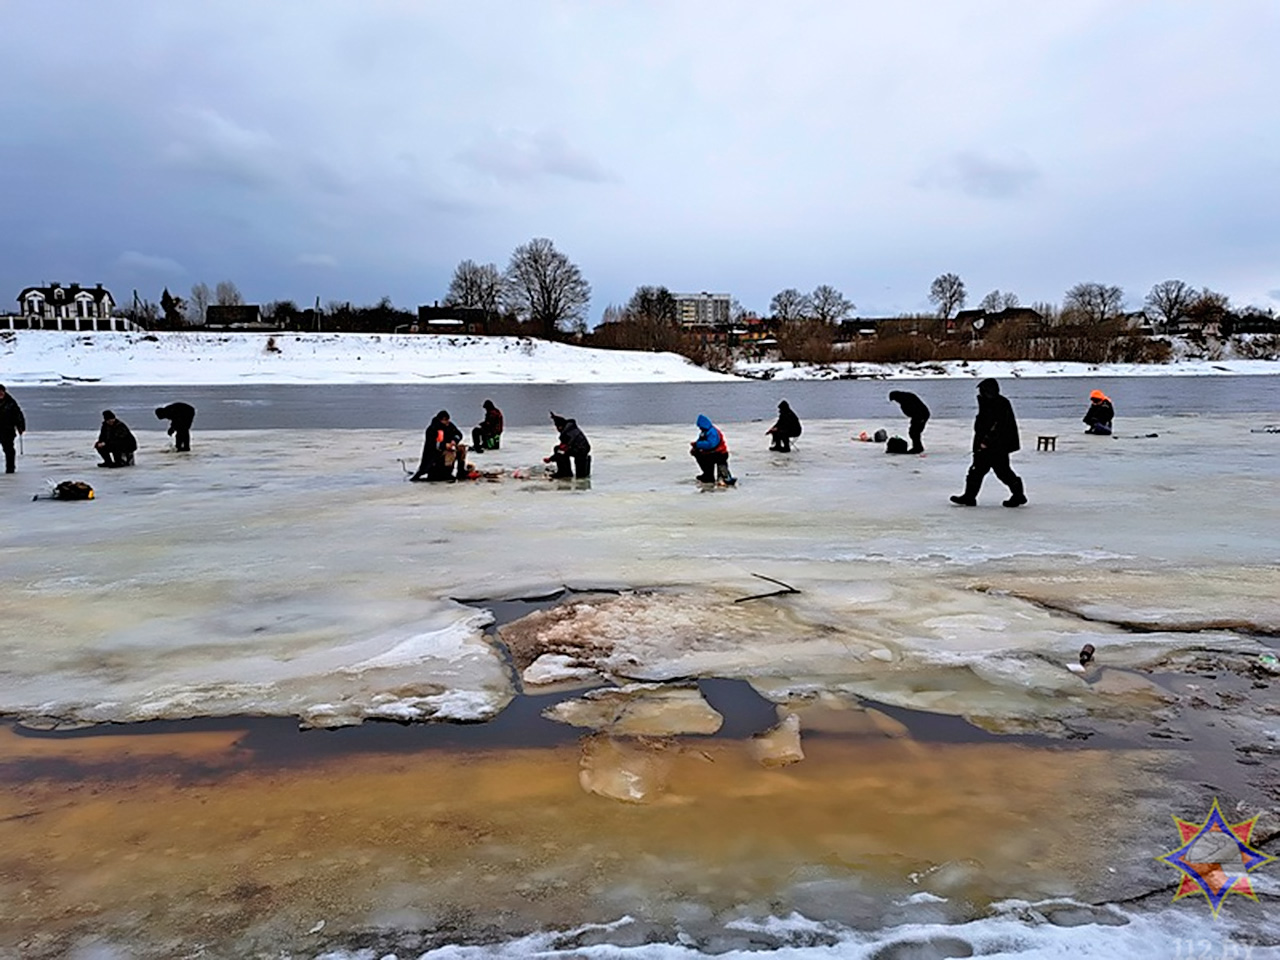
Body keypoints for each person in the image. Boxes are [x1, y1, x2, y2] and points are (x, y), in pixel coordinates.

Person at [951, 378, 1026, 507]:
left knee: (1002, 472)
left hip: (996, 446)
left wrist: (986, 441)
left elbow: (998, 426)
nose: (980, 393)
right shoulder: (988, 402)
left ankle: (1018, 495)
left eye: (982, 391)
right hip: (988, 445)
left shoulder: (999, 404)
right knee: (977, 471)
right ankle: (969, 497)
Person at [410, 410, 468, 482]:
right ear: (441, 420)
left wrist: (454, 440)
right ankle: (447, 473)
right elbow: (432, 444)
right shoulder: (432, 429)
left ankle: (461, 471)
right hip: (435, 453)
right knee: (450, 453)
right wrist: (444, 445)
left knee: (462, 448)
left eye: (448, 420)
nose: (447, 422)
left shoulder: (450, 425)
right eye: (445, 420)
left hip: (449, 446)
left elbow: (459, 434)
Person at [690, 414, 736, 486]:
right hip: (711, 454)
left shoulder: (712, 432)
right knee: (701, 457)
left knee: (722, 466)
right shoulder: (704, 432)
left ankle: (725, 478)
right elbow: (701, 441)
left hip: (720, 453)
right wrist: (695, 446)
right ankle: (708, 475)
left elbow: (711, 444)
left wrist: (698, 444)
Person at [545, 412, 591, 479]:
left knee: (558, 450)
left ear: (560, 426)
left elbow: (562, 449)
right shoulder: (571, 429)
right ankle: (567, 472)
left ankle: (564, 473)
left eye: (556, 427)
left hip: (579, 451)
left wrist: (550, 459)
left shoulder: (567, 433)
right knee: (582, 474)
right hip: (584, 449)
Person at [888, 390, 930, 454]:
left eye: (894, 399)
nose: (895, 401)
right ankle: (918, 447)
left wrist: (920, 419)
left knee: (914, 432)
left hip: (920, 415)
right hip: (918, 415)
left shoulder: (905, 399)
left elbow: (916, 409)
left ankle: (918, 448)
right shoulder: (905, 398)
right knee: (914, 432)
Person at [0, 384, 25, 475]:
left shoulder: (11, 402)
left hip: (7, 430)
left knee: (9, 450)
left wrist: (21, 427)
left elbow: (18, 415)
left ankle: (10, 468)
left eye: (1, 392)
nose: (0, 394)